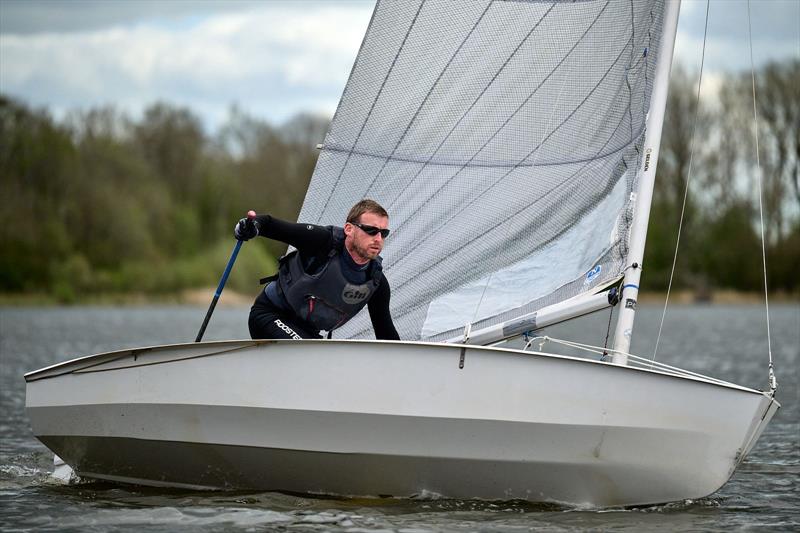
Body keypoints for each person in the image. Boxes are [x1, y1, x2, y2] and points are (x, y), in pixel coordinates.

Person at [235, 199, 400, 341]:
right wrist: (251, 227)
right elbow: (269, 224)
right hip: (270, 315)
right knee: (312, 355)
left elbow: (386, 334)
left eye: (383, 233)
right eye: (371, 230)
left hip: (308, 333)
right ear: (349, 229)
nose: (378, 239)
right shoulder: (321, 241)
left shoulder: (376, 282)